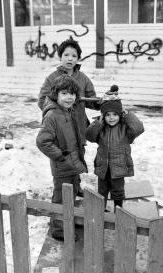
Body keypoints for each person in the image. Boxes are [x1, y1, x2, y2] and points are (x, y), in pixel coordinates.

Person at [38, 38, 100, 197]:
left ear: (78, 58)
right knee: (64, 161)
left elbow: (90, 99)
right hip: (61, 128)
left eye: (74, 55)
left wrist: (102, 103)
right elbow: (42, 99)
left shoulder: (83, 78)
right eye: (66, 55)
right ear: (60, 57)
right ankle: (62, 195)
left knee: (77, 155)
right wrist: (57, 112)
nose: (70, 58)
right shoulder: (52, 78)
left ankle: (76, 186)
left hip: (78, 126)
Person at [36, 74, 87, 241]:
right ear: (55, 95)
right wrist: (60, 156)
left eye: (72, 93)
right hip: (63, 166)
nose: (69, 97)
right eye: (64, 93)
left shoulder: (67, 111)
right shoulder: (52, 115)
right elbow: (43, 141)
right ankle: (59, 230)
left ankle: (68, 221)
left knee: (70, 196)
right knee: (60, 198)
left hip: (72, 163)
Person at [85, 93, 144, 211]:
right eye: (107, 115)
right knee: (102, 192)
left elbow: (139, 128)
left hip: (119, 167)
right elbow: (89, 136)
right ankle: (100, 212)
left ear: (120, 115)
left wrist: (126, 114)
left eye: (115, 114)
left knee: (118, 192)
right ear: (103, 116)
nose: (111, 118)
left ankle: (118, 210)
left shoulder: (125, 129)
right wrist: (98, 122)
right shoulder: (101, 128)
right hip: (103, 167)